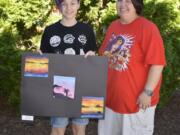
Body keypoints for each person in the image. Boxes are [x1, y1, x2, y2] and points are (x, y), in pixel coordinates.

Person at [98, 0, 166, 135]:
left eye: (128, 1)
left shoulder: (148, 28)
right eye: (120, 0)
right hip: (111, 100)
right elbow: (104, 58)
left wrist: (148, 92)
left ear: (136, 4)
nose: (123, 4)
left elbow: (157, 64)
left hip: (136, 103)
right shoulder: (113, 26)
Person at [40, 0, 97, 135]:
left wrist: (93, 56)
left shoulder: (87, 30)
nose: (68, 8)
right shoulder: (50, 30)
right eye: (64, 4)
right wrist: (39, 58)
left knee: (79, 128)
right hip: (59, 86)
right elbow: (44, 60)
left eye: (72, 3)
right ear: (59, 7)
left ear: (78, 5)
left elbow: (93, 60)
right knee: (58, 128)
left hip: (83, 85)